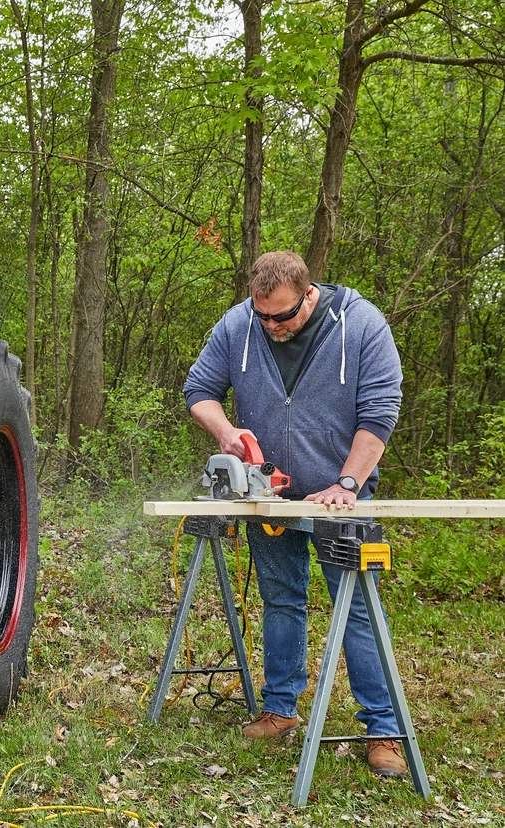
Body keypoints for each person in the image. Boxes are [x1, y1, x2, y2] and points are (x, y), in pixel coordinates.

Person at [182, 250, 406, 778]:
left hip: (342, 495)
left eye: (282, 316)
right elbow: (200, 390)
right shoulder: (241, 323)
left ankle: (383, 730)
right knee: (280, 600)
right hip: (272, 495)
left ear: (309, 295)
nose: (271, 326)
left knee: (356, 609)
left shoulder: (362, 324)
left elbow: (380, 411)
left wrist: (347, 483)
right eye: (262, 316)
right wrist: (225, 432)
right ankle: (281, 709)